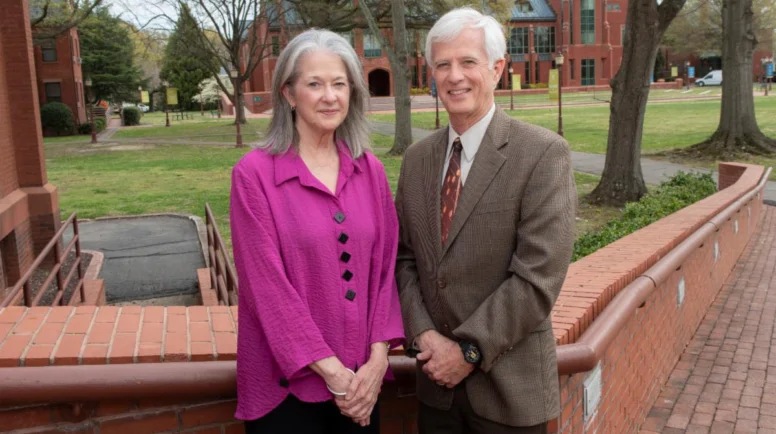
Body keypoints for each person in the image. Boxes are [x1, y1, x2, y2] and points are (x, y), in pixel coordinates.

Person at [395, 8, 577, 434]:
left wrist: (468, 352)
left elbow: (537, 278)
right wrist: (424, 335)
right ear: (431, 75)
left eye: (467, 62)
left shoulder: (542, 154)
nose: (454, 75)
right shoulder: (417, 160)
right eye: (443, 64)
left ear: (496, 69)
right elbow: (403, 260)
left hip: (509, 395)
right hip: (435, 393)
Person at [230, 29, 404, 434]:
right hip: (287, 390)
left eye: (339, 84)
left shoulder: (370, 171)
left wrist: (377, 362)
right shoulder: (254, 176)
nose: (330, 96)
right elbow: (265, 287)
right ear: (289, 94)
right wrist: (333, 374)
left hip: (363, 385)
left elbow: (386, 271)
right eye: (315, 84)